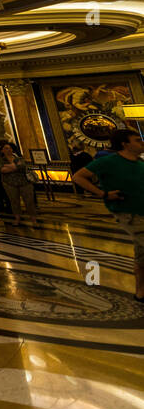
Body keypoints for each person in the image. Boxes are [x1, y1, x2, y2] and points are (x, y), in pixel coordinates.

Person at [73, 128, 144, 301]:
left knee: (142, 255)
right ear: (124, 144)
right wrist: (103, 194)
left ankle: (141, 292)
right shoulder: (109, 161)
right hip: (128, 213)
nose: (141, 143)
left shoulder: (140, 163)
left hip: (142, 212)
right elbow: (79, 177)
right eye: (137, 140)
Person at [0, 142, 38, 226]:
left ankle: (34, 219)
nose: (9, 150)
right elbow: (2, 170)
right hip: (9, 183)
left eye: (10, 148)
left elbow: (22, 167)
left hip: (24, 182)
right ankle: (17, 218)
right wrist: (15, 167)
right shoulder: (0, 160)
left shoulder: (19, 158)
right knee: (14, 201)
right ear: (2, 150)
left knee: (29, 201)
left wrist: (9, 166)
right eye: (6, 148)